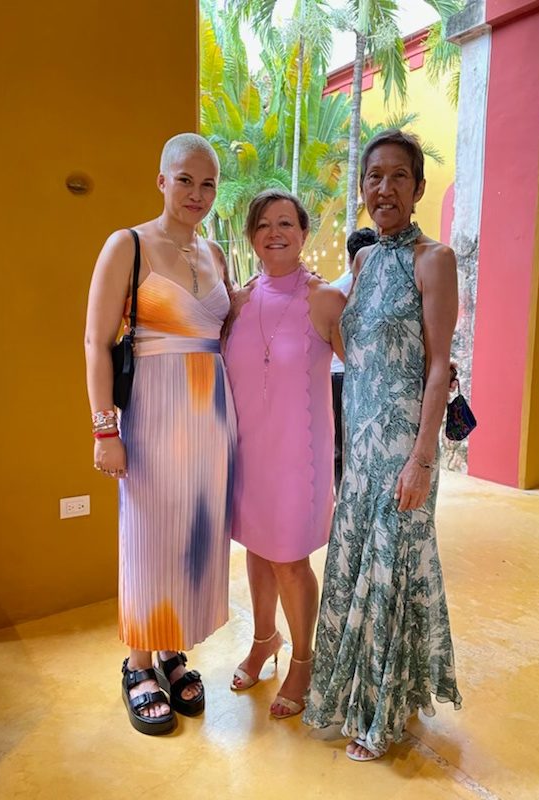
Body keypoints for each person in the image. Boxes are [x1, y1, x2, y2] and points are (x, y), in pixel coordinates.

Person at [303, 129, 462, 760]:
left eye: (399, 176)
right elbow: (352, 347)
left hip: (404, 450)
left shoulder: (435, 259)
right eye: (374, 177)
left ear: (418, 188)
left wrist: (423, 458)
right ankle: (361, 697)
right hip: (361, 449)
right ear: (363, 188)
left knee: (392, 573)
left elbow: (440, 365)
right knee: (359, 569)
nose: (385, 188)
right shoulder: (365, 262)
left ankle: (380, 713)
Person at [84, 133, 236, 735]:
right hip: (153, 413)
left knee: (194, 533)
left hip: (212, 418)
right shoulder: (128, 245)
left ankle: (172, 647)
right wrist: (105, 428)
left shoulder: (216, 252)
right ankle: (139, 663)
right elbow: (96, 341)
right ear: (162, 181)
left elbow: (232, 328)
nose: (197, 193)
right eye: (185, 180)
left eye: (208, 183)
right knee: (149, 535)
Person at [223, 189, 347, 719]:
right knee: (257, 549)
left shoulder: (325, 300)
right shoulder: (238, 301)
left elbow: (369, 368)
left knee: (290, 560)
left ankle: (303, 659)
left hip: (300, 458)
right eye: (263, 224)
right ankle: (264, 639)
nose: (274, 233)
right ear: (252, 236)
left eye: (286, 223)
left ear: (303, 233)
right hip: (250, 454)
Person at [330, 228, 379, 489]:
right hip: (359, 375)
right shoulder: (377, 289)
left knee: (340, 446)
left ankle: (344, 495)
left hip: (338, 376)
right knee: (357, 443)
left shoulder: (334, 289)